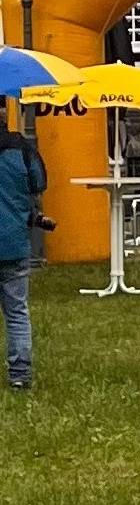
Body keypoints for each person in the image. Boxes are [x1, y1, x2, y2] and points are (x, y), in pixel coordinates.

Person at [0, 127, 44, 390]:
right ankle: (19, 375)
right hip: (14, 242)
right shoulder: (22, 149)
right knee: (17, 312)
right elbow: (39, 184)